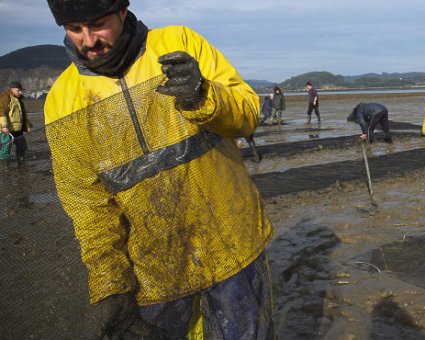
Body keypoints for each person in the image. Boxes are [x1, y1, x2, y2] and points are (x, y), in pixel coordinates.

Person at [44, 1, 273, 339]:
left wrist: (203, 96)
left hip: (233, 245)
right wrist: (113, 288)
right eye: (74, 29)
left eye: (97, 24)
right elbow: (87, 208)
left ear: (122, 11)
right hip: (154, 273)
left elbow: (248, 113)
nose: (89, 40)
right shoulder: (63, 101)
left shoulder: (180, 44)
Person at [0, 81, 32, 161]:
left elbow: (22, 114)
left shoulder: (18, 99)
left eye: (21, 90)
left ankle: (21, 161)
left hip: (18, 129)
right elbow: (2, 112)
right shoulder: (5, 97)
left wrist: (28, 124)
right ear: (12, 89)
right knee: (6, 149)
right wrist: (4, 126)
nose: (20, 92)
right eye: (18, 90)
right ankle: (4, 165)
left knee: (22, 146)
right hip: (7, 130)